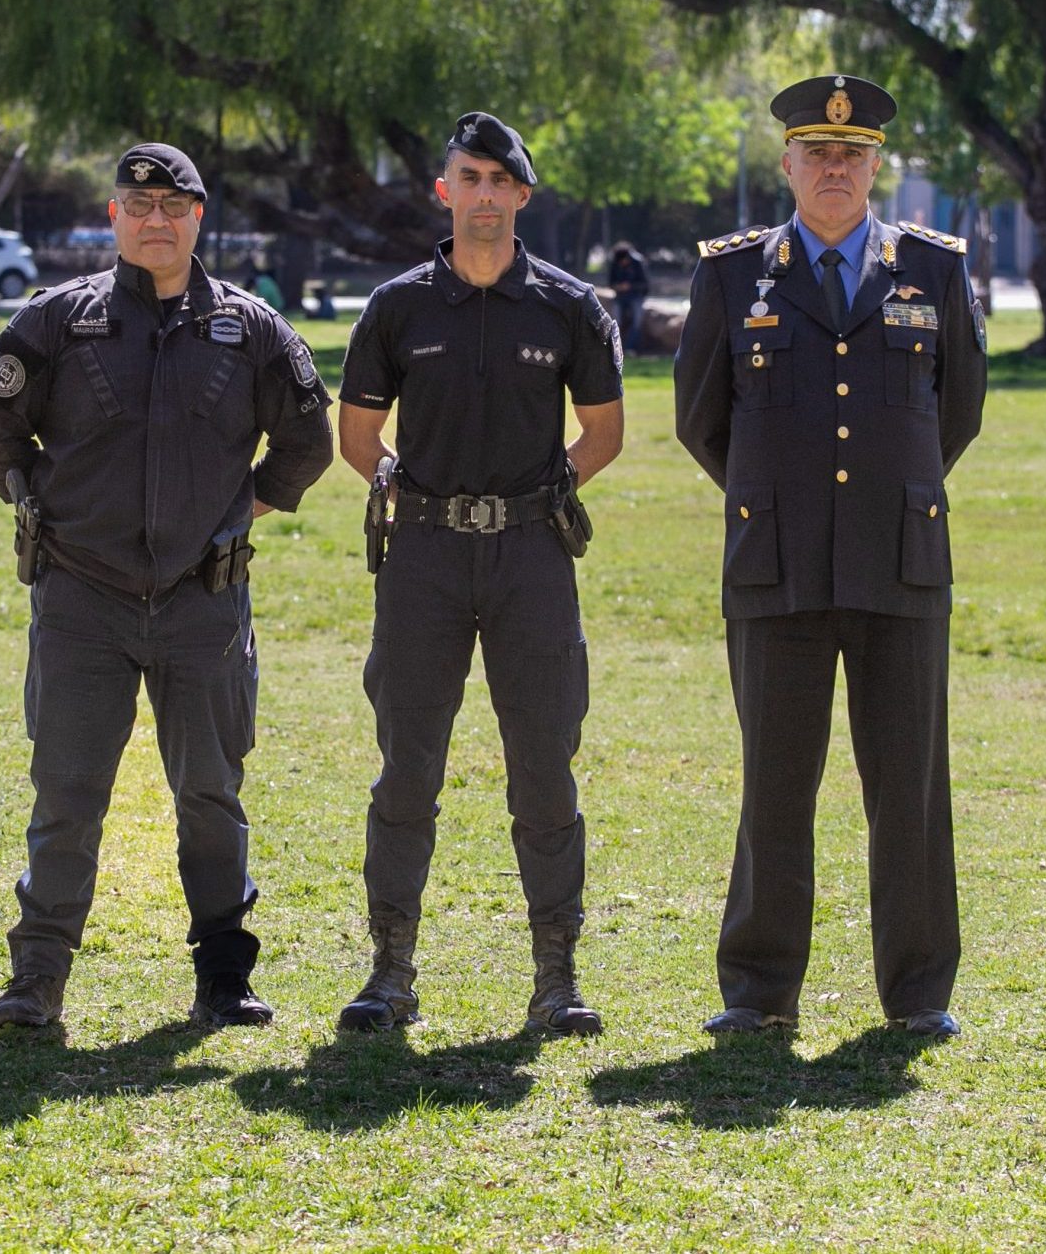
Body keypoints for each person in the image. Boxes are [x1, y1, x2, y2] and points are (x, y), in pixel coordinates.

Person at [0, 143, 334, 1030]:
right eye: (138, 206)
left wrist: (243, 505)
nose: (155, 221)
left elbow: (308, 442)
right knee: (67, 793)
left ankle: (224, 977)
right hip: (81, 599)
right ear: (114, 217)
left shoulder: (250, 329)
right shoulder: (57, 321)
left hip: (203, 603)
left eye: (173, 206)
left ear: (198, 217)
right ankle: (37, 979)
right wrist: (46, 502)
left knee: (210, 794)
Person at [673, 75, 987, 1038]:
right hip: (778, 563)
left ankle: (919, 994)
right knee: (775, 783)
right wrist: (777, 496)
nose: (835, 168)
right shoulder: (734, 276)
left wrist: (892, 490)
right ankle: (758, 992)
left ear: (876, 166)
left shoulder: (932, 270)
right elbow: (701, 420)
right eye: (818, 153)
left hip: (899, 559)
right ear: (788, 166)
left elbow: (958, 411)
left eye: (852, 154)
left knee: (910, 786)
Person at [334, 112, 626, 1035]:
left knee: (544, 768)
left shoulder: (570, 307)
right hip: (422, 559)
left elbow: (605, 432)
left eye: (502, 181)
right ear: (445, 191)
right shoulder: (397, 308)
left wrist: (543, 494)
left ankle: (556, 979)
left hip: (532, 558)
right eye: (471, 178)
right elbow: (357, 436)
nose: (486, 195)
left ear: (523, 196)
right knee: (407, 769)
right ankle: (390, 973)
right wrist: (403, 487)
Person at [606, 242, 650, 354]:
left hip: (636, 296)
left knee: (637, 321)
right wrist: (617, 286)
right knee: (615, 322)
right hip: (620, 297)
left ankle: (629, 348)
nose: (621, 264)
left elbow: (645, 285)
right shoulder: (615, 262)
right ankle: (615, 348)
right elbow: (611, 283)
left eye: (623, 261)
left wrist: (630, 286)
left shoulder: (638, 262)